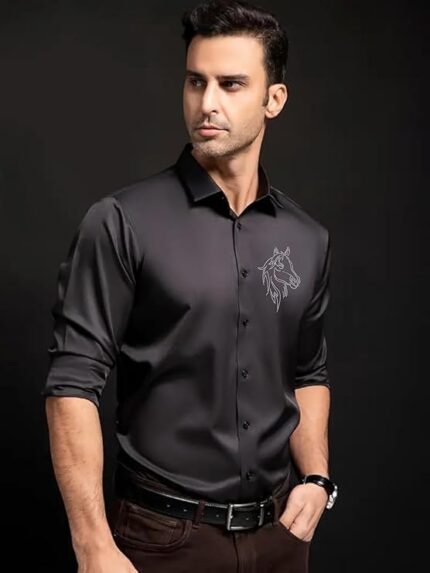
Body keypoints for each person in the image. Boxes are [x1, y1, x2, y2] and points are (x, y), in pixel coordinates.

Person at [42, 1, 338, 572]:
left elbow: (308, 373)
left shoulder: (307, 238)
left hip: (281, 536)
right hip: (162, 539)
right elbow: (72, 384)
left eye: (231, 84)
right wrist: (93, 546)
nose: (207, 103)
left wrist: (318, 477)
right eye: (196, 81)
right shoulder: (121, 222)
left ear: (274, 99)